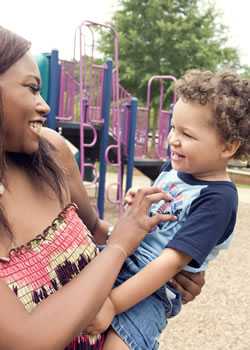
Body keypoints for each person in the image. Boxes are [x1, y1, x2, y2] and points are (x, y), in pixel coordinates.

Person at [0, 27, 204, 350]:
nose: (45, 107)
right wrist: (119, 247)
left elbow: (96, 232)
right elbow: (28, 340)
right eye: (31, 89)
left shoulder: (51, 153)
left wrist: (163, 269)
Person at [86, 69, 250, 350]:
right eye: (174, 127)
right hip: (122, 259)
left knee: (120, 343)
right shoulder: (173, 170)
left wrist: (112, 303)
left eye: (186, 134)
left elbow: (172, 263)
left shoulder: (218, 199)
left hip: (154, 290)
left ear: (228, 147)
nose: (173, 139)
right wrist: (138, 197)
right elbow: (158, 202)